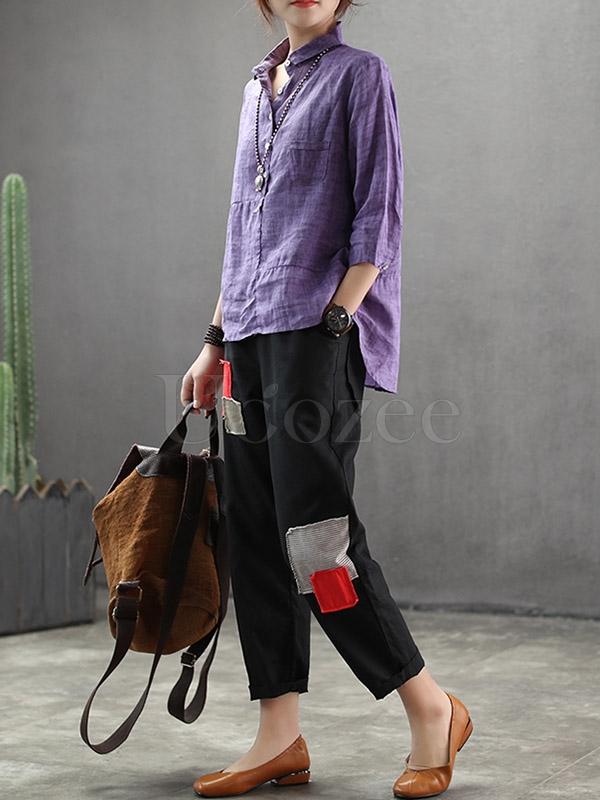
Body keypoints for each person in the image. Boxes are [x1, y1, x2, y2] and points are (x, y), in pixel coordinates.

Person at [181, 1, 473, 797]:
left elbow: (380, 211)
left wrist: (337, 320)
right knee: (255, 534)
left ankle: (431, 708)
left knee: (317, 541)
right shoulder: (256, 88)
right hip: (245, 341)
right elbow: (243, 230)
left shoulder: (360, 77)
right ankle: (279, 735)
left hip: (315, 334)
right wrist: (214, 340)